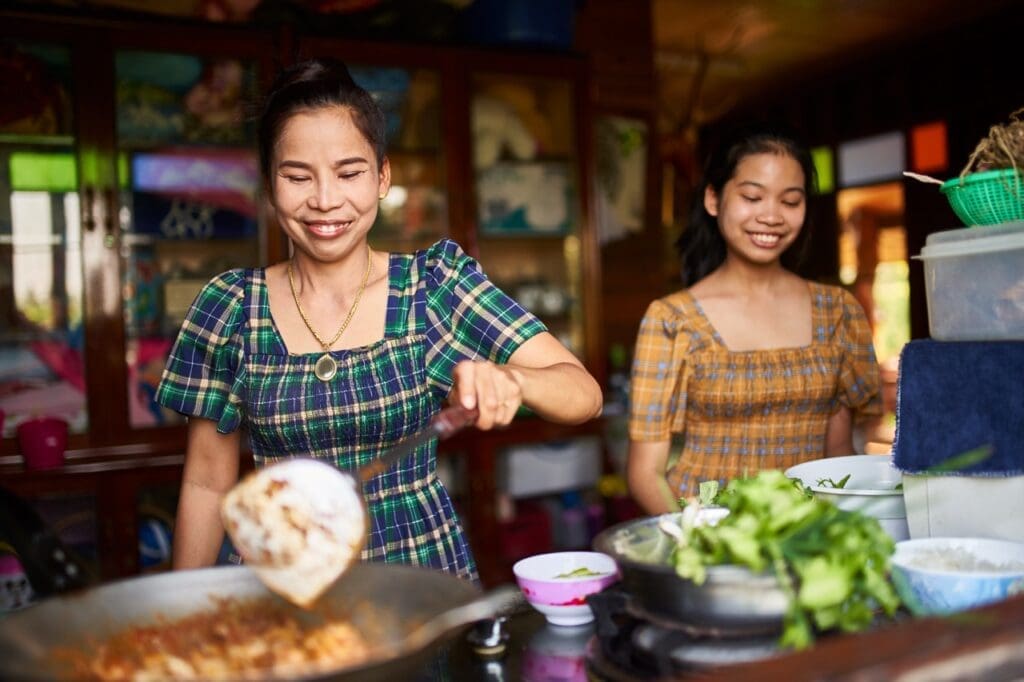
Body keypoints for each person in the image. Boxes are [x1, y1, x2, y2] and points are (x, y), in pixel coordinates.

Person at [156, 58, 602, 582]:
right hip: (279, 582)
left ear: (383, 176)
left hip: (416, 580)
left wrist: (514, 378)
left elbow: (584, 394)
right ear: (269, 185)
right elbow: (207, 483)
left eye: (349, 173)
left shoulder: (435, 288)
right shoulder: (229, 307)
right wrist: (182, 610)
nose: (325, 201)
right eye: (298, 177)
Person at [626, 124, 881, 515]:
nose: (771, 216)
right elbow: (646, 474)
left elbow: (839, 455)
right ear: (713, 199)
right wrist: (696, 547)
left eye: (790, 201)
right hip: (708, 534)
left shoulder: (838, 311)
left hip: (806, 536)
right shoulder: (672, 320)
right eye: (752, 196)